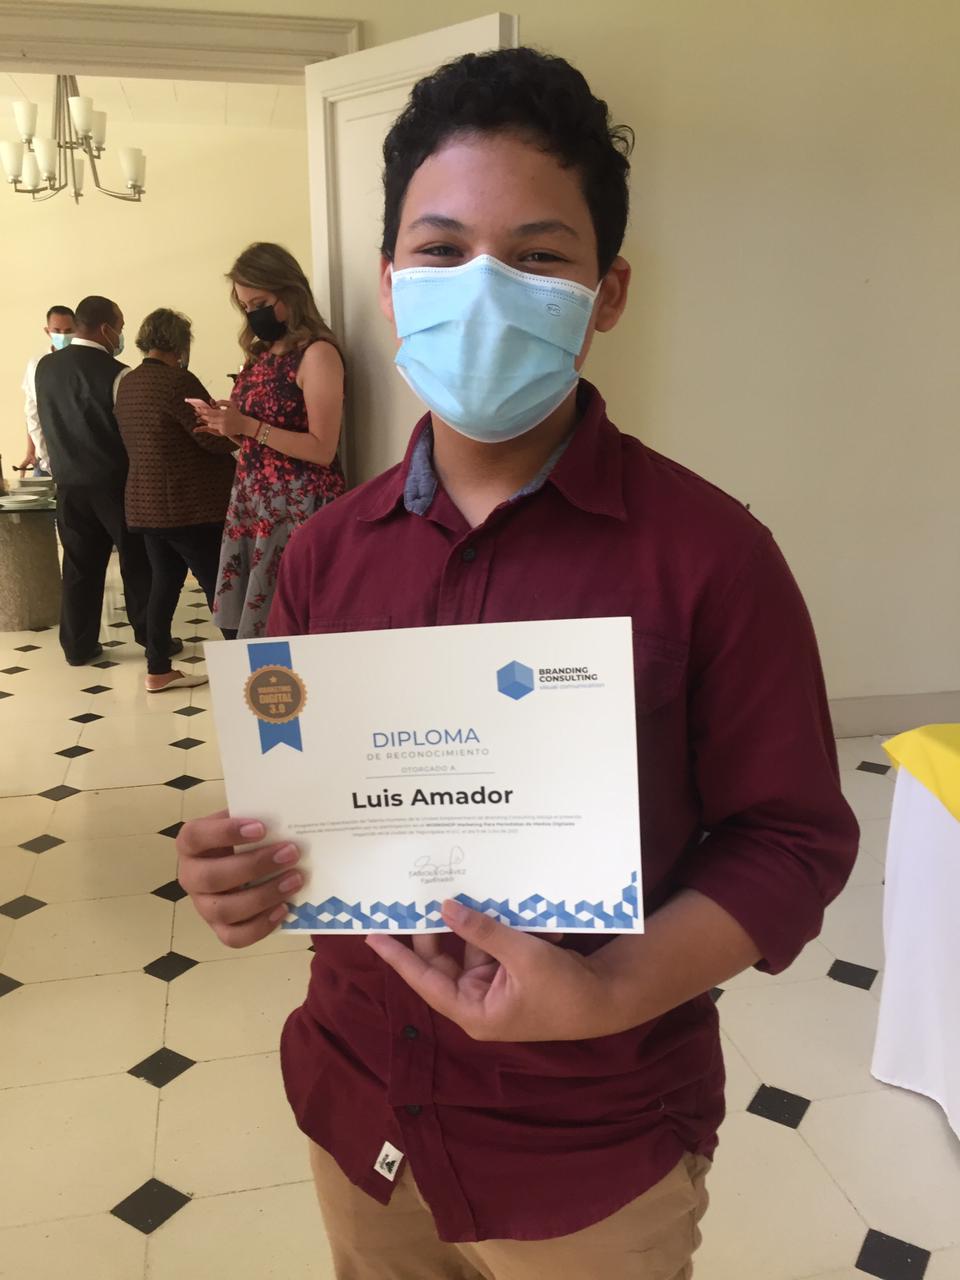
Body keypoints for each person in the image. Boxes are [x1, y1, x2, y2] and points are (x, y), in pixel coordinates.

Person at [177, 49, 859, 1279]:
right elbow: (307, 794)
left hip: (588, 1144)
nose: (484, 290)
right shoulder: (325, 555)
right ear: (391, 287)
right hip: (359, 1104)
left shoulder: (713, 556)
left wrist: (612, 989)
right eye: (441, 251)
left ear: (608, 293)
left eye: (539, 257)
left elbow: (793, 839)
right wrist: (246, 865)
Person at [191, 242, 345, 639]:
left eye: (259, 303)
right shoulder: (260, 355)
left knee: (289, 626)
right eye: (245, 306)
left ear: (290, 292)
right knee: (253, 631)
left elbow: (322, 448)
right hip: (253, 501)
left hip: (296, 507)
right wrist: (228, 424)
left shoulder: (317, 354)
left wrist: (248, 426)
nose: (252, 314)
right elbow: (256, 434)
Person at [34, 295, 164, 668]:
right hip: (115, 483)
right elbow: (131, 433)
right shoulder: (120, 373)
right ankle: (150, 638)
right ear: (106, 328)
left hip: (68, 483)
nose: (120, 334)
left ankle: (78, 646)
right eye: (119, 327)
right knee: (137, 562)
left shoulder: (44, 368)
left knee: (79, 566)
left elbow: (41, 422)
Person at [115, 308, 236, 693]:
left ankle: (158, 668)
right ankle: (246, 667)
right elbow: (211, 437)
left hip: (145, 504)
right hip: (189, 505)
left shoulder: (128, 383)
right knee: (219, 585)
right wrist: (236, 425)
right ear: (180, 343)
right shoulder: (178, 381)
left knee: (164, 583)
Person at [17, 305, 75, 478]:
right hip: (45, 460)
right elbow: (32, 413)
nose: (63, 336)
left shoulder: (81, 365)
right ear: (47, 331)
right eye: (57, 331)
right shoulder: (36, 365)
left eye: (68, 331)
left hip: (77, 458)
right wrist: (31, 451)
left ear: (77, 329)